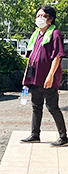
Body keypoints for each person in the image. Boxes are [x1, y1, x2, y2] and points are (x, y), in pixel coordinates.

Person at [20, 5, 67, 146]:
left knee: (52, 106)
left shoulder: (55, 34)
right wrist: (25, 76)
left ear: (50, 19)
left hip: (47, 78)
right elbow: (31, 57)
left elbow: (57, 57)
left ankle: (64, 137)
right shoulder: (37, 34)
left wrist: (50, 75)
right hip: (34, 77)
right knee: (36, 106)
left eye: (43, 16)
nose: (39, 18)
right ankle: (35, 134)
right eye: (38, 16)